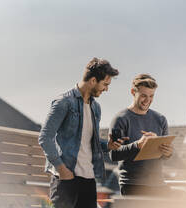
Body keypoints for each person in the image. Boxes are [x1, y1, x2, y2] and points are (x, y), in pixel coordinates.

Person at [39, 57, 124, 208]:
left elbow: (90, 142)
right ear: (93, 81)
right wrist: (62, 169)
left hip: (88, 179)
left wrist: (109, 145)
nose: (106, 89)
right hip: (66, 178)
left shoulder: (95, 108)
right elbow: (45, 137)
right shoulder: (63, 102)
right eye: (105, 84)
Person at [109, 74, 175, 197]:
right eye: (143, 95)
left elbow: (167, 156)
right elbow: (114, 154)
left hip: (158, 185)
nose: (147, 100)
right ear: (133, 92)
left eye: (151, 96)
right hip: (133, 185)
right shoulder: (121, 119)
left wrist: (168, 152)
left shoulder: (160, 119)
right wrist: (138, 145)